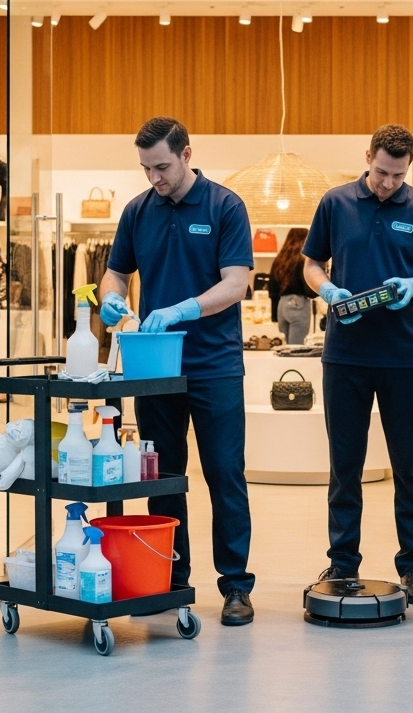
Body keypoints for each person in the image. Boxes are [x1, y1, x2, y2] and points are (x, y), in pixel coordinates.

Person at [98, 117, 258, 626]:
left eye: (162, 166)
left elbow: (236, 283)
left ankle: (235, 586)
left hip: (214, 366)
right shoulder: (137, 211)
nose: (154, 178)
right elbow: (116, 271)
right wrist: (111, 298)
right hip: (154, 367)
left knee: (224, 475)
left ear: (187, 154)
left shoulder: (225, 206)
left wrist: (184, 308)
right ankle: (171, 578)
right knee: (164, 478)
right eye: (146, 168)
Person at [302, 124, 413, 603]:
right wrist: (327, 289)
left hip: (405, 357)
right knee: (345, 465)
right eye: (382, 172)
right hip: (344, 355)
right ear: (368, 156)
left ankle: (412, 566)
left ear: (410, 168)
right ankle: (342, 562)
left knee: (410, 465)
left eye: (398, 175)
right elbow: (311, 264)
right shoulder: (335, 203)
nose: (388, 183)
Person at [268, 227, 317, 345]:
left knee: (284, 349)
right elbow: (309, 290)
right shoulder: (302, 260)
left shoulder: (279, 260)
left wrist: (274, 315)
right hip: (298, 303)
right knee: (296, 349)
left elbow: (272, 289)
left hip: (281, 305)